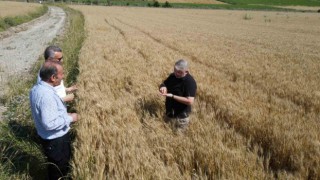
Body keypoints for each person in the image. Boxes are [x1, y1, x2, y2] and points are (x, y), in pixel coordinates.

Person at [30, 61, 78, 180]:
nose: (63, 76)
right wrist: (71, 118)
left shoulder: (37, 88)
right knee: (59, 169)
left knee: (56, 166)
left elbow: (48, 114)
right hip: (56, 141)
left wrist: (65, 114)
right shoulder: (47, 95)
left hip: (49, 139)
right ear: (53, 77)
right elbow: (49, 124)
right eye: (61, 74)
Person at [159, 59, 197, 131]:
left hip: (181, 118)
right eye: (175, 70)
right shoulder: (172, 76)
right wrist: (162, 87)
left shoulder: (190, 82)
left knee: (177, 137)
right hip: (169, 113)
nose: (176, 73)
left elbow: (190, 101)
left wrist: (172, 96)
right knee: (165, 132)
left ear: (186, 71)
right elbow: (164, 84)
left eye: (179, 72)